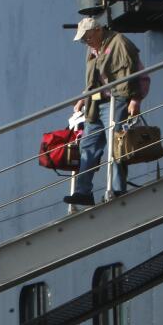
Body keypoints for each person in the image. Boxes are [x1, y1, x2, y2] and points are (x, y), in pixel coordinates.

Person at [64, 17, 150, 206]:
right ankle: (83, 191)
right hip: (96, 103)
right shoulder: (93, 49)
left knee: (117, 145)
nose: (85, 41)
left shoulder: (119, 42)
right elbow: (94, 82)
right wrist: (82, 99)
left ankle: (118, 189)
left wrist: (136, 99)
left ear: (97, 30)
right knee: (88, 145)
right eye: (83, 39)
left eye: (86, 36)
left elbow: (137, 74)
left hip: (117, 101)